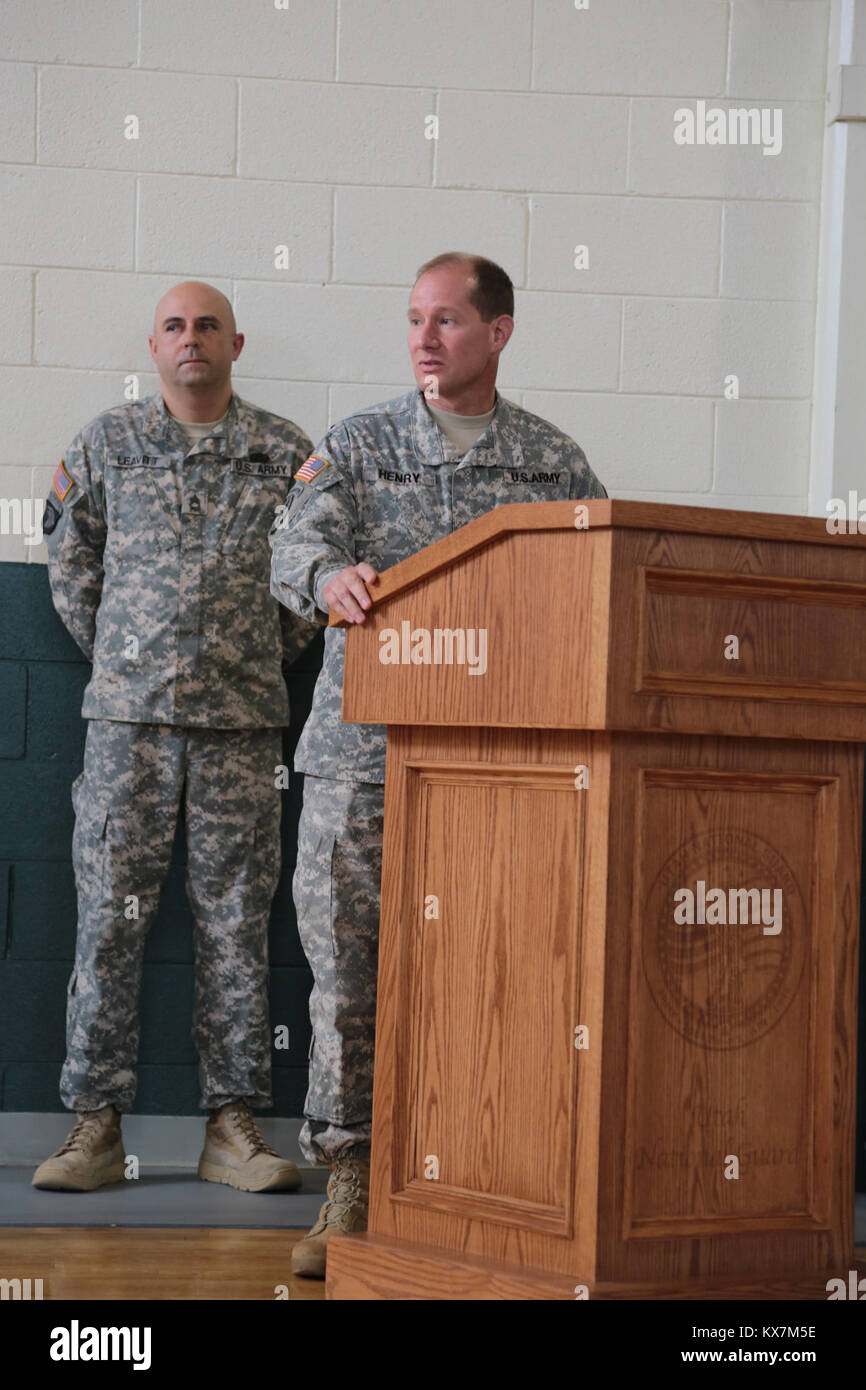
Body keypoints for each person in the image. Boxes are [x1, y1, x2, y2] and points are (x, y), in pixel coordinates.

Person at [269, 251, 607, 1274]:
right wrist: (328, 577)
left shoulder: (552, 462)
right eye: (414, 318)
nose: (424, 337)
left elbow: (593, 577)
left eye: (448, 320)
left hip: (499, 771)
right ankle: (346, 1182)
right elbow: (293, 543)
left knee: (491, 975)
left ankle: (479, 1177)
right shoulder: (360, 443)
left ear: (499, 332)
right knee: (348, 976)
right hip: (361, 759)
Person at [33, 281, 319, 1194]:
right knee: (108, 924)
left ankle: (232, 1127)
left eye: (207, 326)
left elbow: (308, 585)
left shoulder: (286, 453)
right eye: (174, 327)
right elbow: (71, 566)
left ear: (237, 342)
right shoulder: (106, 445)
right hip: (128, 729)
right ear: (152, 347)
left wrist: (251, 660)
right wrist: (128, 658)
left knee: (238, 926)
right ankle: (95, 1128)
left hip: (243, 727)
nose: (190, 340)